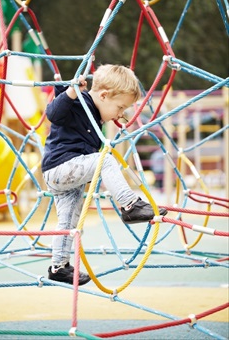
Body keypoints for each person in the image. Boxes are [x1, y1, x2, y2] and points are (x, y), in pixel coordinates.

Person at [42, 64, 167, 285]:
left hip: (68, 174)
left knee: (68, 221)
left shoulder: (96, 114)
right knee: (105, 159)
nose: (121, 113)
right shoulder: (78, 102)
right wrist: (71, 90)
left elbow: (94, 128)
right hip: (60, 168)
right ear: (104, 95)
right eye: (120, 107)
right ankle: (129, 206)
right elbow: (53, 113)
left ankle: (58, 266)